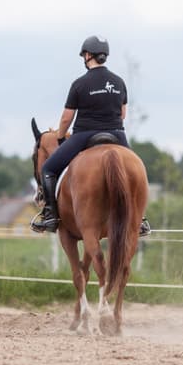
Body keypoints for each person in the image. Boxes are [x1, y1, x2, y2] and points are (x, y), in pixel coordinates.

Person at [31, 35, 151, 237]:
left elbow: (66, 118)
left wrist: (60, 138)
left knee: (49, 169)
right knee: (137, 171)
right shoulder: (119, 82)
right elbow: (123, 114)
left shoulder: (79, 84)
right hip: (116, 134)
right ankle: (139, 220)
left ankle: (50, 215)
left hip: (84, 135)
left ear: (87, 55)